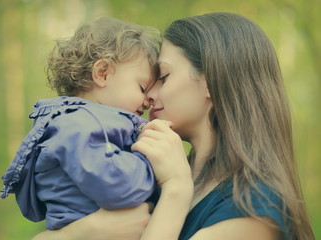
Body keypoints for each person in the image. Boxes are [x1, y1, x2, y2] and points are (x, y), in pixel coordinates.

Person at [33, 12, 315, 240]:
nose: (149, 95)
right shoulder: (154, 175)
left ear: (210, 83)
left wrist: (177, 189)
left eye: (164, 76)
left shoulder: (252, 210)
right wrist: (83, 232)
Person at [0, 17, 162, 230]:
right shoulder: (79, 125)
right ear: (102, 73)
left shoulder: (81, 122)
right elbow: (118, 186)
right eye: (142, 88)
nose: (147, 101)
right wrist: (157, 162)